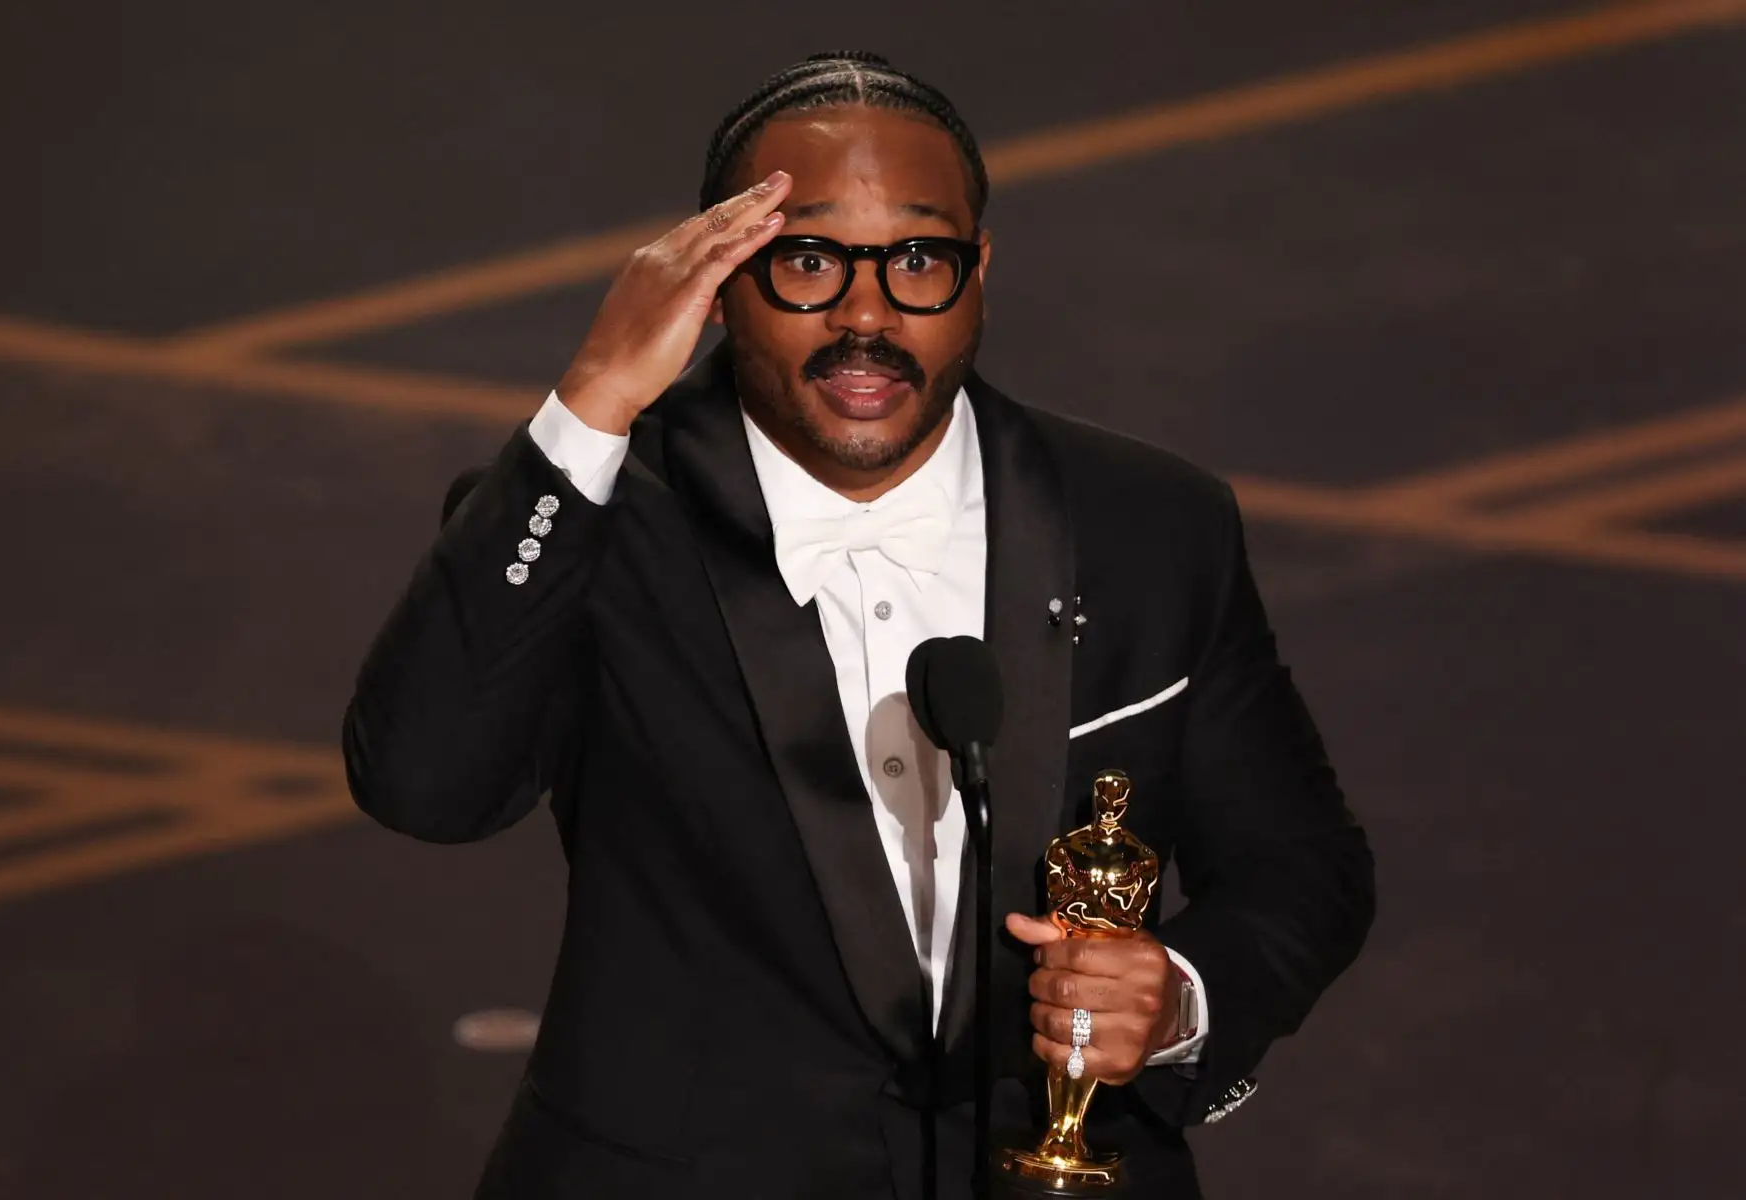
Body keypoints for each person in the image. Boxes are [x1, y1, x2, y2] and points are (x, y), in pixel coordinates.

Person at [343, 51, 1374, 1200]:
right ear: (720, 279)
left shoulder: (1148, 524)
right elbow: (424, 787)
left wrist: (1177, 995)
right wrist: (592, 397)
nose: (868, 314)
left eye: (920, 260)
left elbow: (1302, 864)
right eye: (809, 261)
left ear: (980, 272)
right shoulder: (596, 518)